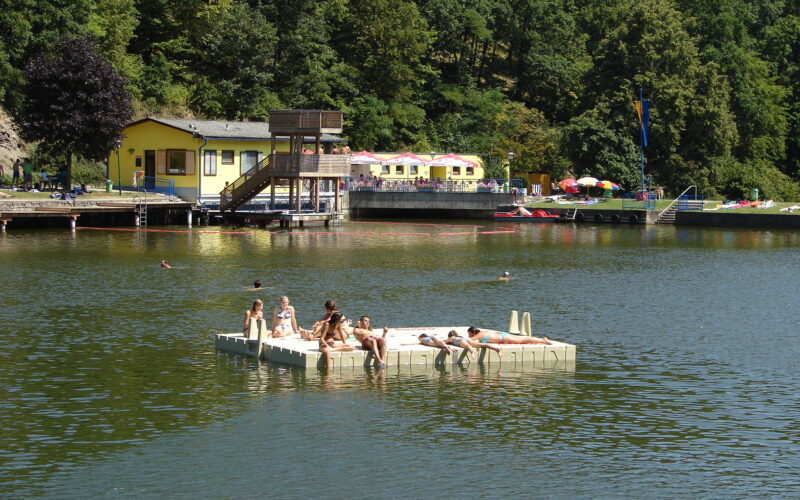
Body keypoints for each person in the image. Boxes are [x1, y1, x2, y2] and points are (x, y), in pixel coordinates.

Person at [467, 326, 551, 345]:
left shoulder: (478, 335)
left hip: (504, 338)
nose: (469, 336)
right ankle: (541, 340)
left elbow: (469, 341)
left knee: (523, 340)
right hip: (504, 336)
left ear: (473, 332)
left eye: (469, 334)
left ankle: (543, 341)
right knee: (524, 339)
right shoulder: (482, 332)